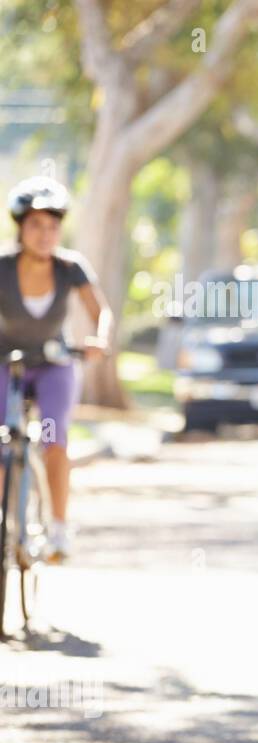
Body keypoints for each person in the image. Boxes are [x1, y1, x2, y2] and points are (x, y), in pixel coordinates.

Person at [0, 176, 112, 562]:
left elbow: (101, 313)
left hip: (54, 366)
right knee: (1, 439)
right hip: (7, 366)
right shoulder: (2, 267)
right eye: (35, 225)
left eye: (52, 226)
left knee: (53, 438)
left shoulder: (70, 268)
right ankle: (5, 524)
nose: (45, 234)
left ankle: (59, 528)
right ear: (20, 227)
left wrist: (99, 339)